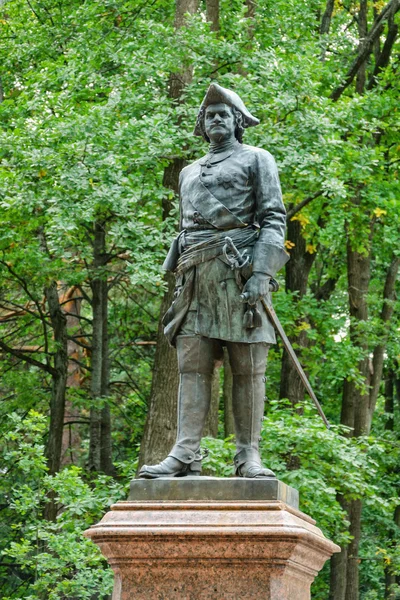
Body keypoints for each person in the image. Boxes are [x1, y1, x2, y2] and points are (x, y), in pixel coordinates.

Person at [139, 83, 288, 479]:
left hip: (238, 274)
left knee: (248, 367)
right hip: (195, 278)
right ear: (202, 126)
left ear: (238, 122)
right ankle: (185, 453)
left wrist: (261, 273)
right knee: (192, 366)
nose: (216, 119)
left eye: (224, 114)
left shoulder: (258, 159)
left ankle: (248, 457)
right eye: (210, 115)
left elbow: (273, 217)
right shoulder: (188, 172)